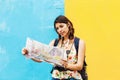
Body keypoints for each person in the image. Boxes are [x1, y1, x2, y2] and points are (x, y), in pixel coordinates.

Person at [22, 15, 88, 80]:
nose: (59, 30)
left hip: (73, 78)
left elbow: (79, 66)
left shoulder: (80, 42)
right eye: (57, 28)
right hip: (56, 77)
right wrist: (28, 53)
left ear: (68, 24)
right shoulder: (54, 42)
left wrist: (65, 65)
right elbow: (40, 59)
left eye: (61, 26)